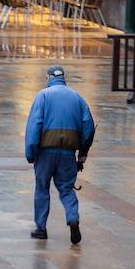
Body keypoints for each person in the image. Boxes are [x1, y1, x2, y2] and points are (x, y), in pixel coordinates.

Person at [24, 65, 95, 244]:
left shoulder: (43, 96)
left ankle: (41, 228)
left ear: (48, 78)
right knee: (66, 188)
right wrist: (83, 154)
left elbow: (35, 125)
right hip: (67, 153)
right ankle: (72, 217)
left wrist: (30, 152)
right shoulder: (77, 98)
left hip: (45, 152)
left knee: (42, 188)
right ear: (64, 78)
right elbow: (88, 127)